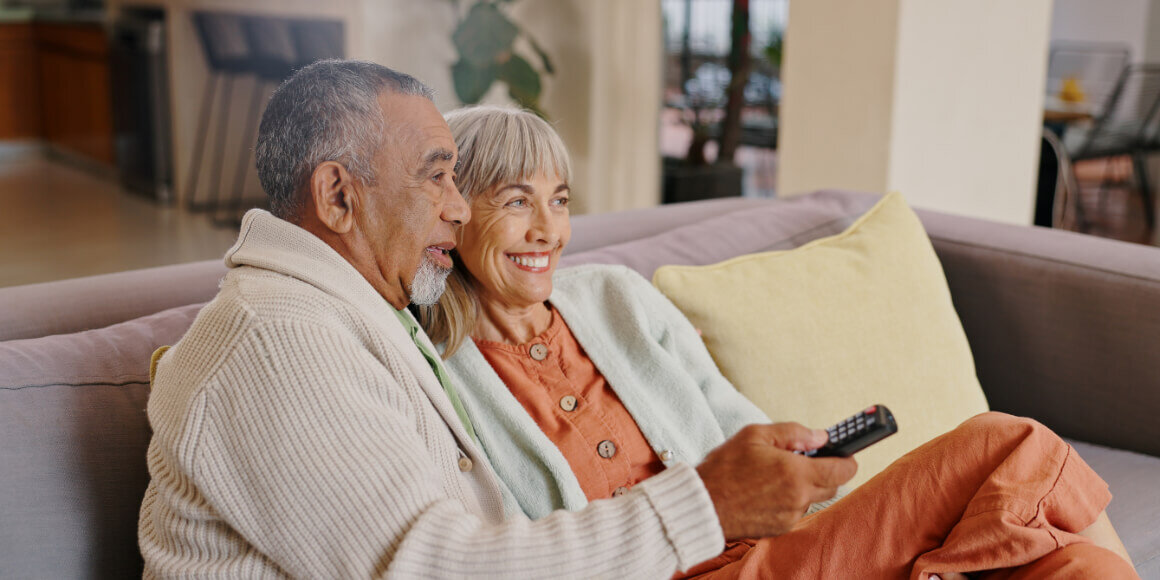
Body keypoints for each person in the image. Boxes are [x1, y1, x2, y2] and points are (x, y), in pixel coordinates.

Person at [138, 59, 860, 579]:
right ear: (338, 197)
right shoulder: (278, 343)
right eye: (437, 177)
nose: (457, 208)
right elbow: (430, 569)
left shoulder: (365, 318)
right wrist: (705, 503)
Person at [417, 104, 1139, 578]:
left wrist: (791, 457)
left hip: (767, 551)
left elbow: (737, 428)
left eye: (560, 200)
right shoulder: (434, 368)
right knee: (1005, 444)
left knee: (1075, 567)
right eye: (516, 202)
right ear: (452, 213)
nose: (549, 230)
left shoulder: (614, 297)